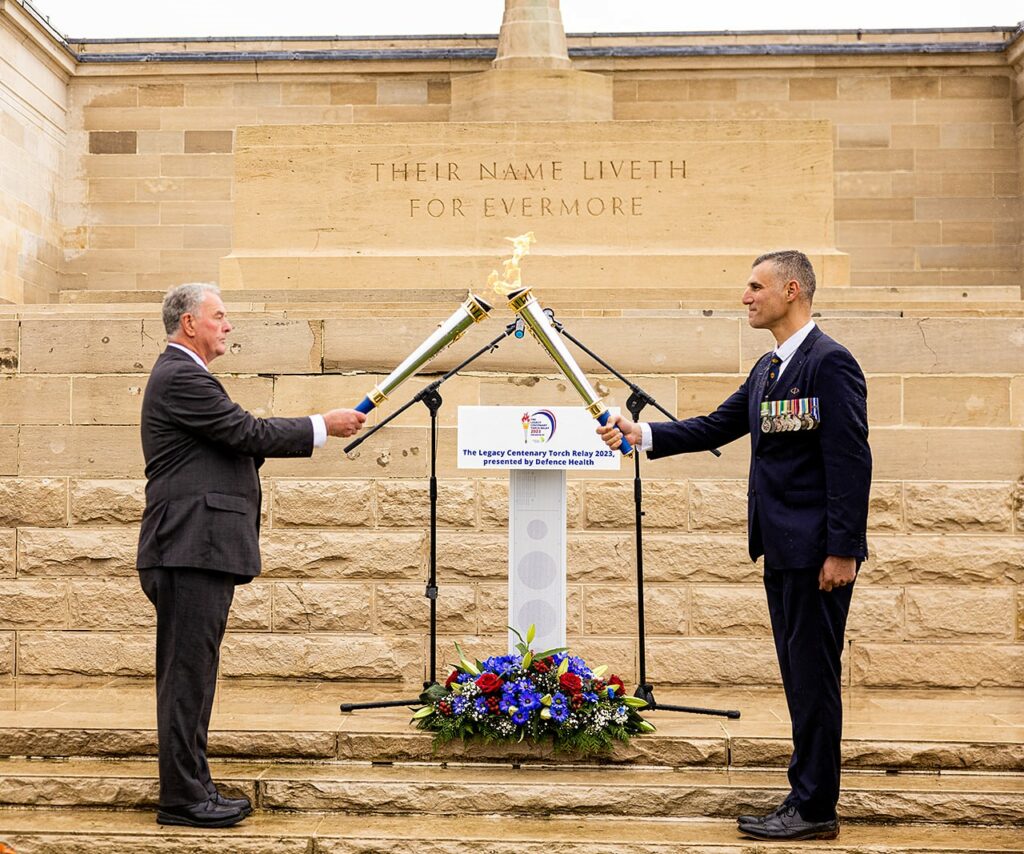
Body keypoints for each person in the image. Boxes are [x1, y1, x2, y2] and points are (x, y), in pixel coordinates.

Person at [599, 250, 871, 841]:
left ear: (791, 289)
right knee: (800, 677)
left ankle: (815, 808)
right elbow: (715, 426)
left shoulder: (829, 363)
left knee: (813, 679)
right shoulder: (769, 369)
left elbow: (851, 459)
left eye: (755, 286)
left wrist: (844, 549)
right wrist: (639, 433)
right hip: (781, 549)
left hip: (817, 555)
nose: (745, 297)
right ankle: (806, 796)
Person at [136, 283, 366, 828]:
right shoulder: (181, 375)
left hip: (198, 549)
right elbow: (245, 431)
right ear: (189, 323)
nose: (228, 325)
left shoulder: (186, 377)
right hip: (189, 548)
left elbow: (233, 444)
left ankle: (195, 788)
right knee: (187, 677)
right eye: (219, 316)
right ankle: (182, 799)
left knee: (196, 675)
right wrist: (321, 425)